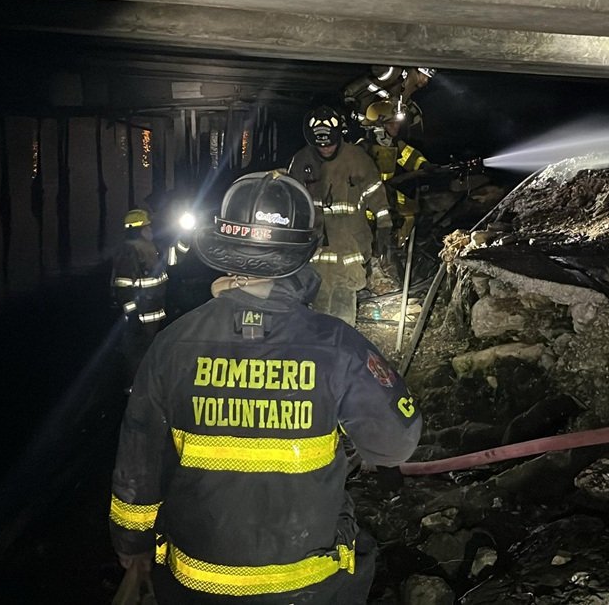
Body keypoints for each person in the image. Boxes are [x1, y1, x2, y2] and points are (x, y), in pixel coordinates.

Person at [108, 171, 423, 604]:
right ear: (302, 253)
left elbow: (138, 464)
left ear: (223, 250)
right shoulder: (336, 344)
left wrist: (131, 546)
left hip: (197, 584)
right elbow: (395, 446)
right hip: (311, 587)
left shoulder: (171, 344)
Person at [288, 105, 394, 325]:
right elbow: (292, 200)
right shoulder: (301, 161)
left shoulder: (357, 159)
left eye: (330, 144)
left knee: (344, 307)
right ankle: (317, 350)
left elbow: (375, 193)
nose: (326, 149)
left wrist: (384, 226)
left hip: (350, 245)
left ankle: (343, 346)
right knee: (316, 305)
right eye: (320, 145)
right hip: (315, 248)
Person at [360, 99, 439, 248]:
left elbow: (411, 157)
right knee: (372, 223)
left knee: (410, 212)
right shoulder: (363, 147)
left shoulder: (395, 144)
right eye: (391, 123)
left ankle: (398, 248)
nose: (396, 126)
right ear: (378, 126)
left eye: (396, 122)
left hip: (388, 191)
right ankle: (377, 252)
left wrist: (425, 165)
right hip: (368, 197)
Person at [111, 208, 169, 384]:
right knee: (137, 357)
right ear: (139, 230)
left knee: (153, 355)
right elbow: (123, 286)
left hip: (155, 314)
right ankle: (134, 393)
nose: (151, 230)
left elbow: (174, 259)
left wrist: (186, 237)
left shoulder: (153, 248)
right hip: (141, 318)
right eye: (147, 227)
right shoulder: (129, 252)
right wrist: (132, 315)